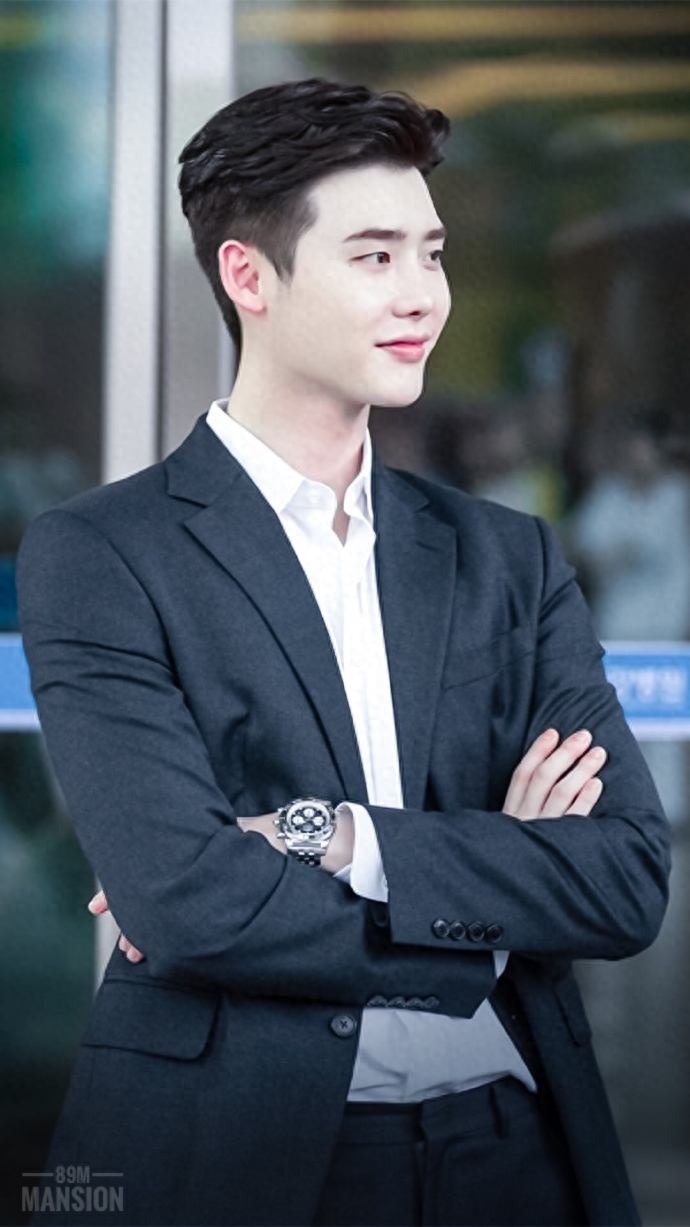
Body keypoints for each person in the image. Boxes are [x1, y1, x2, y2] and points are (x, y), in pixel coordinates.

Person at [17, 79, 669, 1227]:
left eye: (432, 253)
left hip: (517, 1154)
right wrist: (493, 901)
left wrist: (333, 836)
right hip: (236, 1155)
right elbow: (186, 902)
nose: (422, 293)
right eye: (374, 256)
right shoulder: (104, 553)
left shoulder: (504, 555)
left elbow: (622, 880)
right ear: (248, 277)